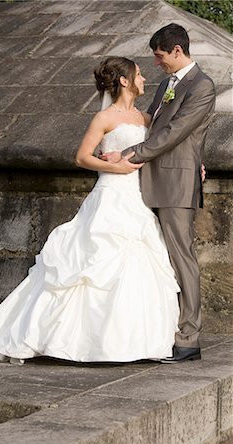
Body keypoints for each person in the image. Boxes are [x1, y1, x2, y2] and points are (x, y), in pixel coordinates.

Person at [0, 56, 180, 364]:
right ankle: (70, 341)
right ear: (124, 81)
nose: (144, 79)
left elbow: (159, 149)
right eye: (139, 74)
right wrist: (113, 166)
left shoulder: (144, 118)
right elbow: (81, 158)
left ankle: (132, 343)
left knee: (139, 262)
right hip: (111, 194)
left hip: (138, 197)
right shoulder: (104, 118)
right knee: (90, 265)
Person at [101, 24, 216, 363]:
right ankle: (161, 331)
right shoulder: (167, 84)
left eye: (160, 56)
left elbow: (175, 132)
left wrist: (127, 154)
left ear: (177, 51)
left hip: (176, 184)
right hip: (150, 180)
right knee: (158, 261)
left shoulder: (203, 86)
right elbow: (153, 122)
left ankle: (189, 338)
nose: (157, 63)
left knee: (183, 259)